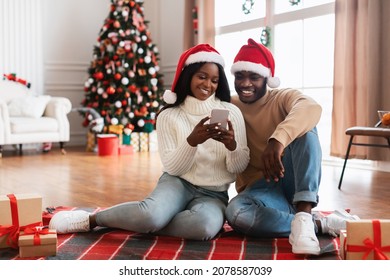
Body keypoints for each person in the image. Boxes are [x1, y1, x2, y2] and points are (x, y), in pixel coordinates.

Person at [49, 44, 250, 241]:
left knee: (203, 227)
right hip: (178, 182)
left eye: (214, 80)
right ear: (188, 76)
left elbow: (238, 167)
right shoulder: (169, 115)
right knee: (150, 215)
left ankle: (140, 223)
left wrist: (232, 146)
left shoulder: (231, 112)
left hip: (214, 194)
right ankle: (92, 219)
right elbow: (173, 168)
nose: (208, 85)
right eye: (202, 77)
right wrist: (192, 141)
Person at [225, 38, 359, 255]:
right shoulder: (230, 105)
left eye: (254, 77)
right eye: (239, 76)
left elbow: (311, 107)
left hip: (293, 180)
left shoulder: (282, 97)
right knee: (236, 214)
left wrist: (277, 140)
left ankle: (304, 211)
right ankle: (314, 224)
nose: (245, 83)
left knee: (306, 129)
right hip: (260, 191)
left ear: (268, 78)